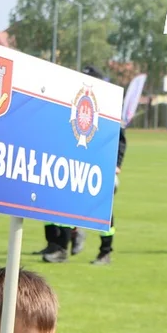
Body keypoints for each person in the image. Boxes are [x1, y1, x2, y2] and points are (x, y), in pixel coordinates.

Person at [42, 65, 126, 265]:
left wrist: (117, 164)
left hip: (102, 167)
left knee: (103, 211)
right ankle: (62, 246)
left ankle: (105, 252)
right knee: (64, 204)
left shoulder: (107, 107)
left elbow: (120, 140)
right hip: (78, 165)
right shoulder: (75, 102)